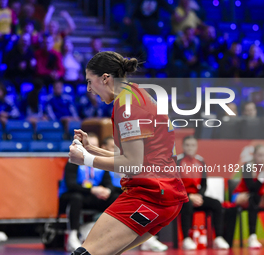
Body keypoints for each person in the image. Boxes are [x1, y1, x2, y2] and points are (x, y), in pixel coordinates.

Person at [68, 51, 188, 255]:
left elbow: (133, 164)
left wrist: (86, 160)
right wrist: (91, 149)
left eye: (90, 81)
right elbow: (142, 157)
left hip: (149, 195)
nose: (89, 89)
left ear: (105, 78)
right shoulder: (135, 94)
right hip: (164, 194)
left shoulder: (127, 106)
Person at [59, 133, 119, 252]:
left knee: (115, 197)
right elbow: (71, 185)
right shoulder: (73, 161)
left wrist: (106, 190)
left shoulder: (101, 162)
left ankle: (112, 235)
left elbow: (108, 182)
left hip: (93, 197)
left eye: (95, 145)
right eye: (89, 145)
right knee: (76, 198)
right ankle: (73, 236)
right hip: (74, 195)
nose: (91, 148)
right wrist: (92, 190)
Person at [178, 136, 229, 250]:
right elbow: (175, 184)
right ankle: (186, 238)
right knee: (187, 204)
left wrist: (199, 196)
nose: (190, 148)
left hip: (197, 196)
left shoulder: (200, 161)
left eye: (193, 145)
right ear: (183, 146)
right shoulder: (177, 161)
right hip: (182, 197)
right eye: (187, 145)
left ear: (196, 147)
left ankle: (219, 237)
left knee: (216, 204)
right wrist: (189, 196)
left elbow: (204, 184)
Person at [232, 144, 264, 248]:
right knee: (253, 199)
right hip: (240, 195)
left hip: (258, 197)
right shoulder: (247, 167)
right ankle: (252, 236)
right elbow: (252, 188)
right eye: (260, 155)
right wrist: (261, 177)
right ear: (254, 155)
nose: (262, 158)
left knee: (255, 198)